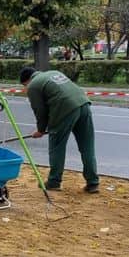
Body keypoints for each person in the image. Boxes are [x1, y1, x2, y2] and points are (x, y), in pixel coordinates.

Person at [20, 66, 99, 194]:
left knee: (57, 146)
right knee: (87, 147)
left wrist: (40, 130)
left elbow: (39, 110)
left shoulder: (33, 86)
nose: (25, 89)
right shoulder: (54, 72)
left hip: (64, 110)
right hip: (83, 104)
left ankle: (54, 181)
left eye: (24, 86)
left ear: (26, 81)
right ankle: (93, 183)